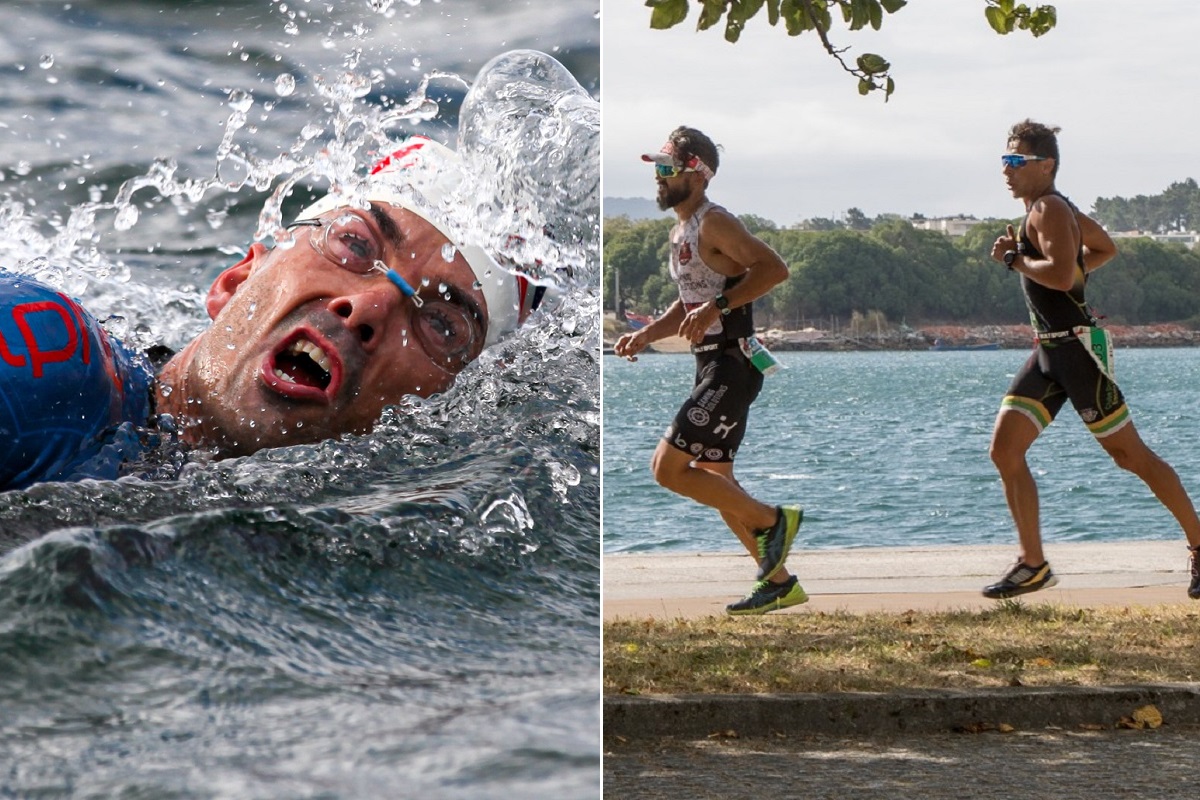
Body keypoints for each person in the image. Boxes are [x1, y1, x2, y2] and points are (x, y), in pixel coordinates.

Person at [0, 136, 547, 491]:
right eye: (356, 245)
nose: (367, 307)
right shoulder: (41, 360)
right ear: (236, 279)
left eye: (441, 325)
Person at [984, 119, 1200, 600]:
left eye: (1017, 160)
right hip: (1048, 352)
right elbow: (1103, 248)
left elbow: (1060, 278)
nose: (1007, 169)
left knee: (1131, 457)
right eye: (1004, 159)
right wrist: (1068, 265)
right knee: (1005, 450)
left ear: (1047, 166)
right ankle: (1033, 563)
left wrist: (1014, 261)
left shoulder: (1051, 209)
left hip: (1077, 352)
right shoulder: (1044, 211)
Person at [613, 125, 804, 615]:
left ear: (696, 174)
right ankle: (778, 583)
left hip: (732, 365)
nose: (658, 177)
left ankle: (772, 520)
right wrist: (645, 335)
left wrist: (719, 305)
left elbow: (773, 269)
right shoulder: (682, 231)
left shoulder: (715, 222)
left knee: (668, 469)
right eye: (656, 167)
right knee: (718, 481)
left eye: (667, 168)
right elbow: (688, 308)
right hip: (711, 365)